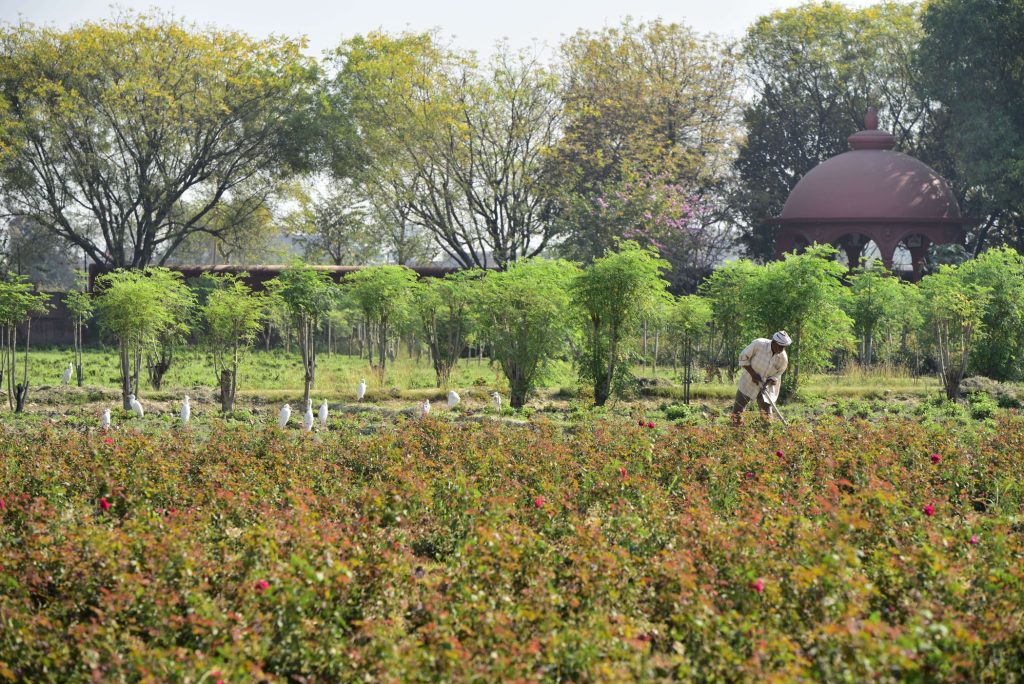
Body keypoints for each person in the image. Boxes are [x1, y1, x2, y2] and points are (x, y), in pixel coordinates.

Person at [731, 331, 791, 425]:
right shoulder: (758, 344)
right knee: (737, 411)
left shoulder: (783, 358)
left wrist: (768, 383)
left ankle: (766, 434)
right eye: (780, 346)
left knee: (767, 416)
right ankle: (736, 433)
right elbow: (743, 357)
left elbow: (778, 374)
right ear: (773, 342)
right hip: (748, 382)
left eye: (784, 347)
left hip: (766, 389)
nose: (781, 349)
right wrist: (753, 374)